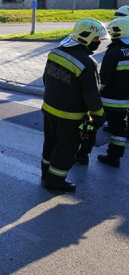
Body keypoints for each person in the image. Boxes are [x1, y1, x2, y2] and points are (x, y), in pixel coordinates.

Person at [41, 18, 109, 192]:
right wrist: (99, 115)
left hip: (48, 110)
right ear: (86, 37)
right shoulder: (87, 63)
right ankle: (55, 181)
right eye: (96, 39)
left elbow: (45, 80)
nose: (99, 43)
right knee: (66, 148)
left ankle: (46, 174)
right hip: (70, 117)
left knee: (50, 143)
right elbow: (91, 95)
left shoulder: (55, 52)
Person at [96, 7, 129, 168]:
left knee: (91, 124)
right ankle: (114, 157)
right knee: (119, 131)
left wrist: (95, 92)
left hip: (109, 100)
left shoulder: (114, 52)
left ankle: (81, 154)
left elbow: (103, 79)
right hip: (125, 102)